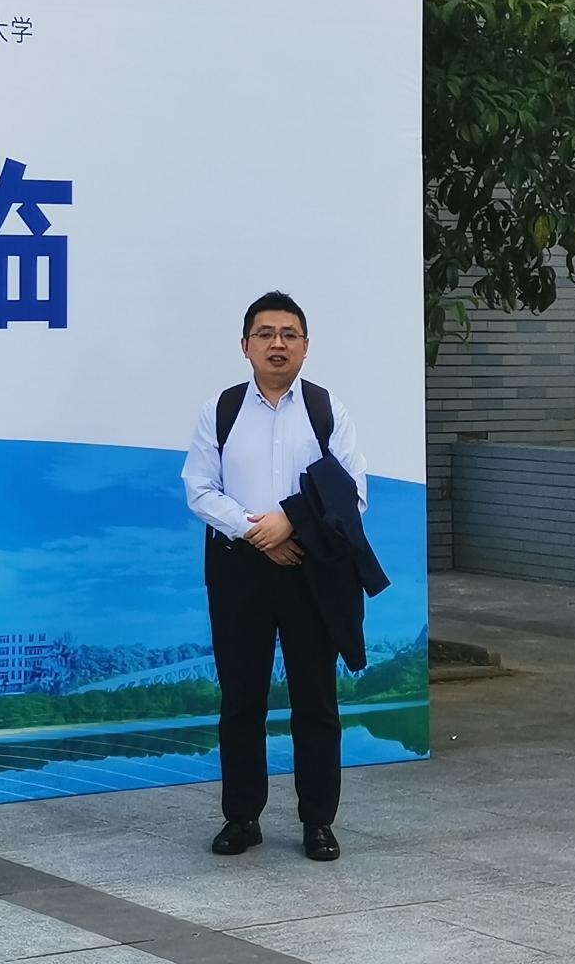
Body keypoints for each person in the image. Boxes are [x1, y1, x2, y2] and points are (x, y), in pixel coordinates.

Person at [181, 290, 367, 864]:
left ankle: (318, 821)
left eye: (289, 334)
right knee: (242, 699)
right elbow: (199, 489)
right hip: (238, 569)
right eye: (265, 334)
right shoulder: (221, 410)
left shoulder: (327, 410)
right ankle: (241, 817)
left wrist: (291, 523)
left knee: (316, 700)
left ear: (306, 347)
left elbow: (352, 493)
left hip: (311, 569)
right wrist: (256, 531)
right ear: (246, 346)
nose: (277, 344)